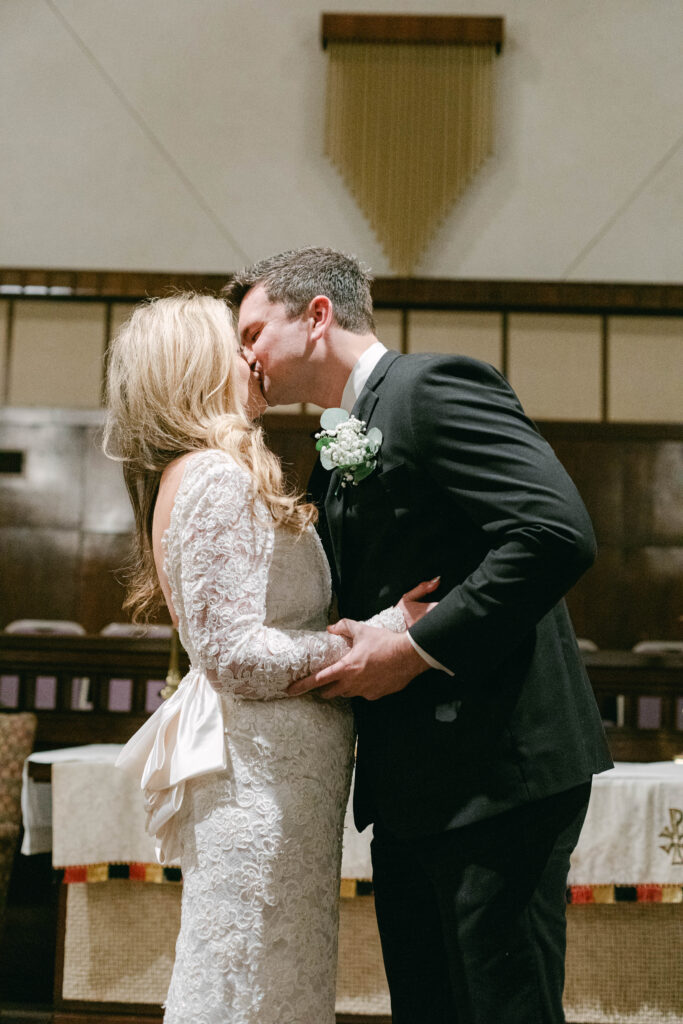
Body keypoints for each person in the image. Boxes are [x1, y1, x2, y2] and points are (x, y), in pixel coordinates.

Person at [225, 247, 614, 1024]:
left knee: (500, 1007)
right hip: (414, 781)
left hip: (495, 770)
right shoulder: (342, 435)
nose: (245, 356)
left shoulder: (430, 388)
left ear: (317, 315)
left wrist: (412, 649)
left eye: (252, 332)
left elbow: (554, 533)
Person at [103, 293, 434, 1024]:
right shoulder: (216, 478)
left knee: (271, 976)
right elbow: (232, 658)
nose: (253, 354)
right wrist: (384, 628)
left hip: (278, 780)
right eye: (237, 341)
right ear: (195, 365)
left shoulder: (199, 472)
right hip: (259, 781)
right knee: (250, 979)